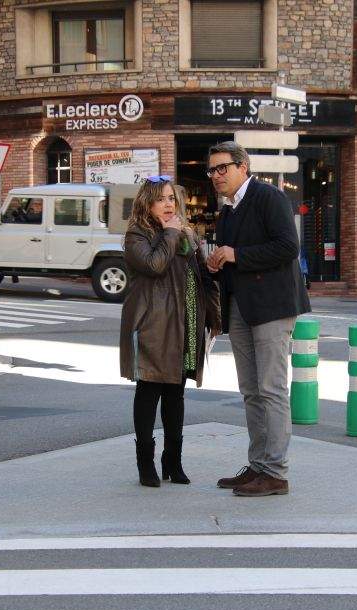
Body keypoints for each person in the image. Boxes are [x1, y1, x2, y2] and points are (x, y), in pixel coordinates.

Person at [205, 141, 311, 497]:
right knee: (251, 391)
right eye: (212, 170)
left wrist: (236, 254)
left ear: (243, 167)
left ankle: (276, 472)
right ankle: (258, 465)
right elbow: (235, 259)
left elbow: (288, 247)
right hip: (240, 306)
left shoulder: (269, 197)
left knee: (271, 389)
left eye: (222, 168)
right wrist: (218, 263)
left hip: (272, 307)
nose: (216, 175)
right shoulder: (227, 212)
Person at [120, 176, 220, 488]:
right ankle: (145, 463)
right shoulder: (137, 235)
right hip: (153, 323)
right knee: (149, 390)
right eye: (161, 199)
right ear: (146, 203)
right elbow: (154, 265)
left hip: (185, 322)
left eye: (171, 198)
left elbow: (200, 277)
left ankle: (173, 461)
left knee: (176, 393)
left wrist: (214, 316)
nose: (168, 204)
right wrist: (171, 233)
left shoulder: (184, 234)